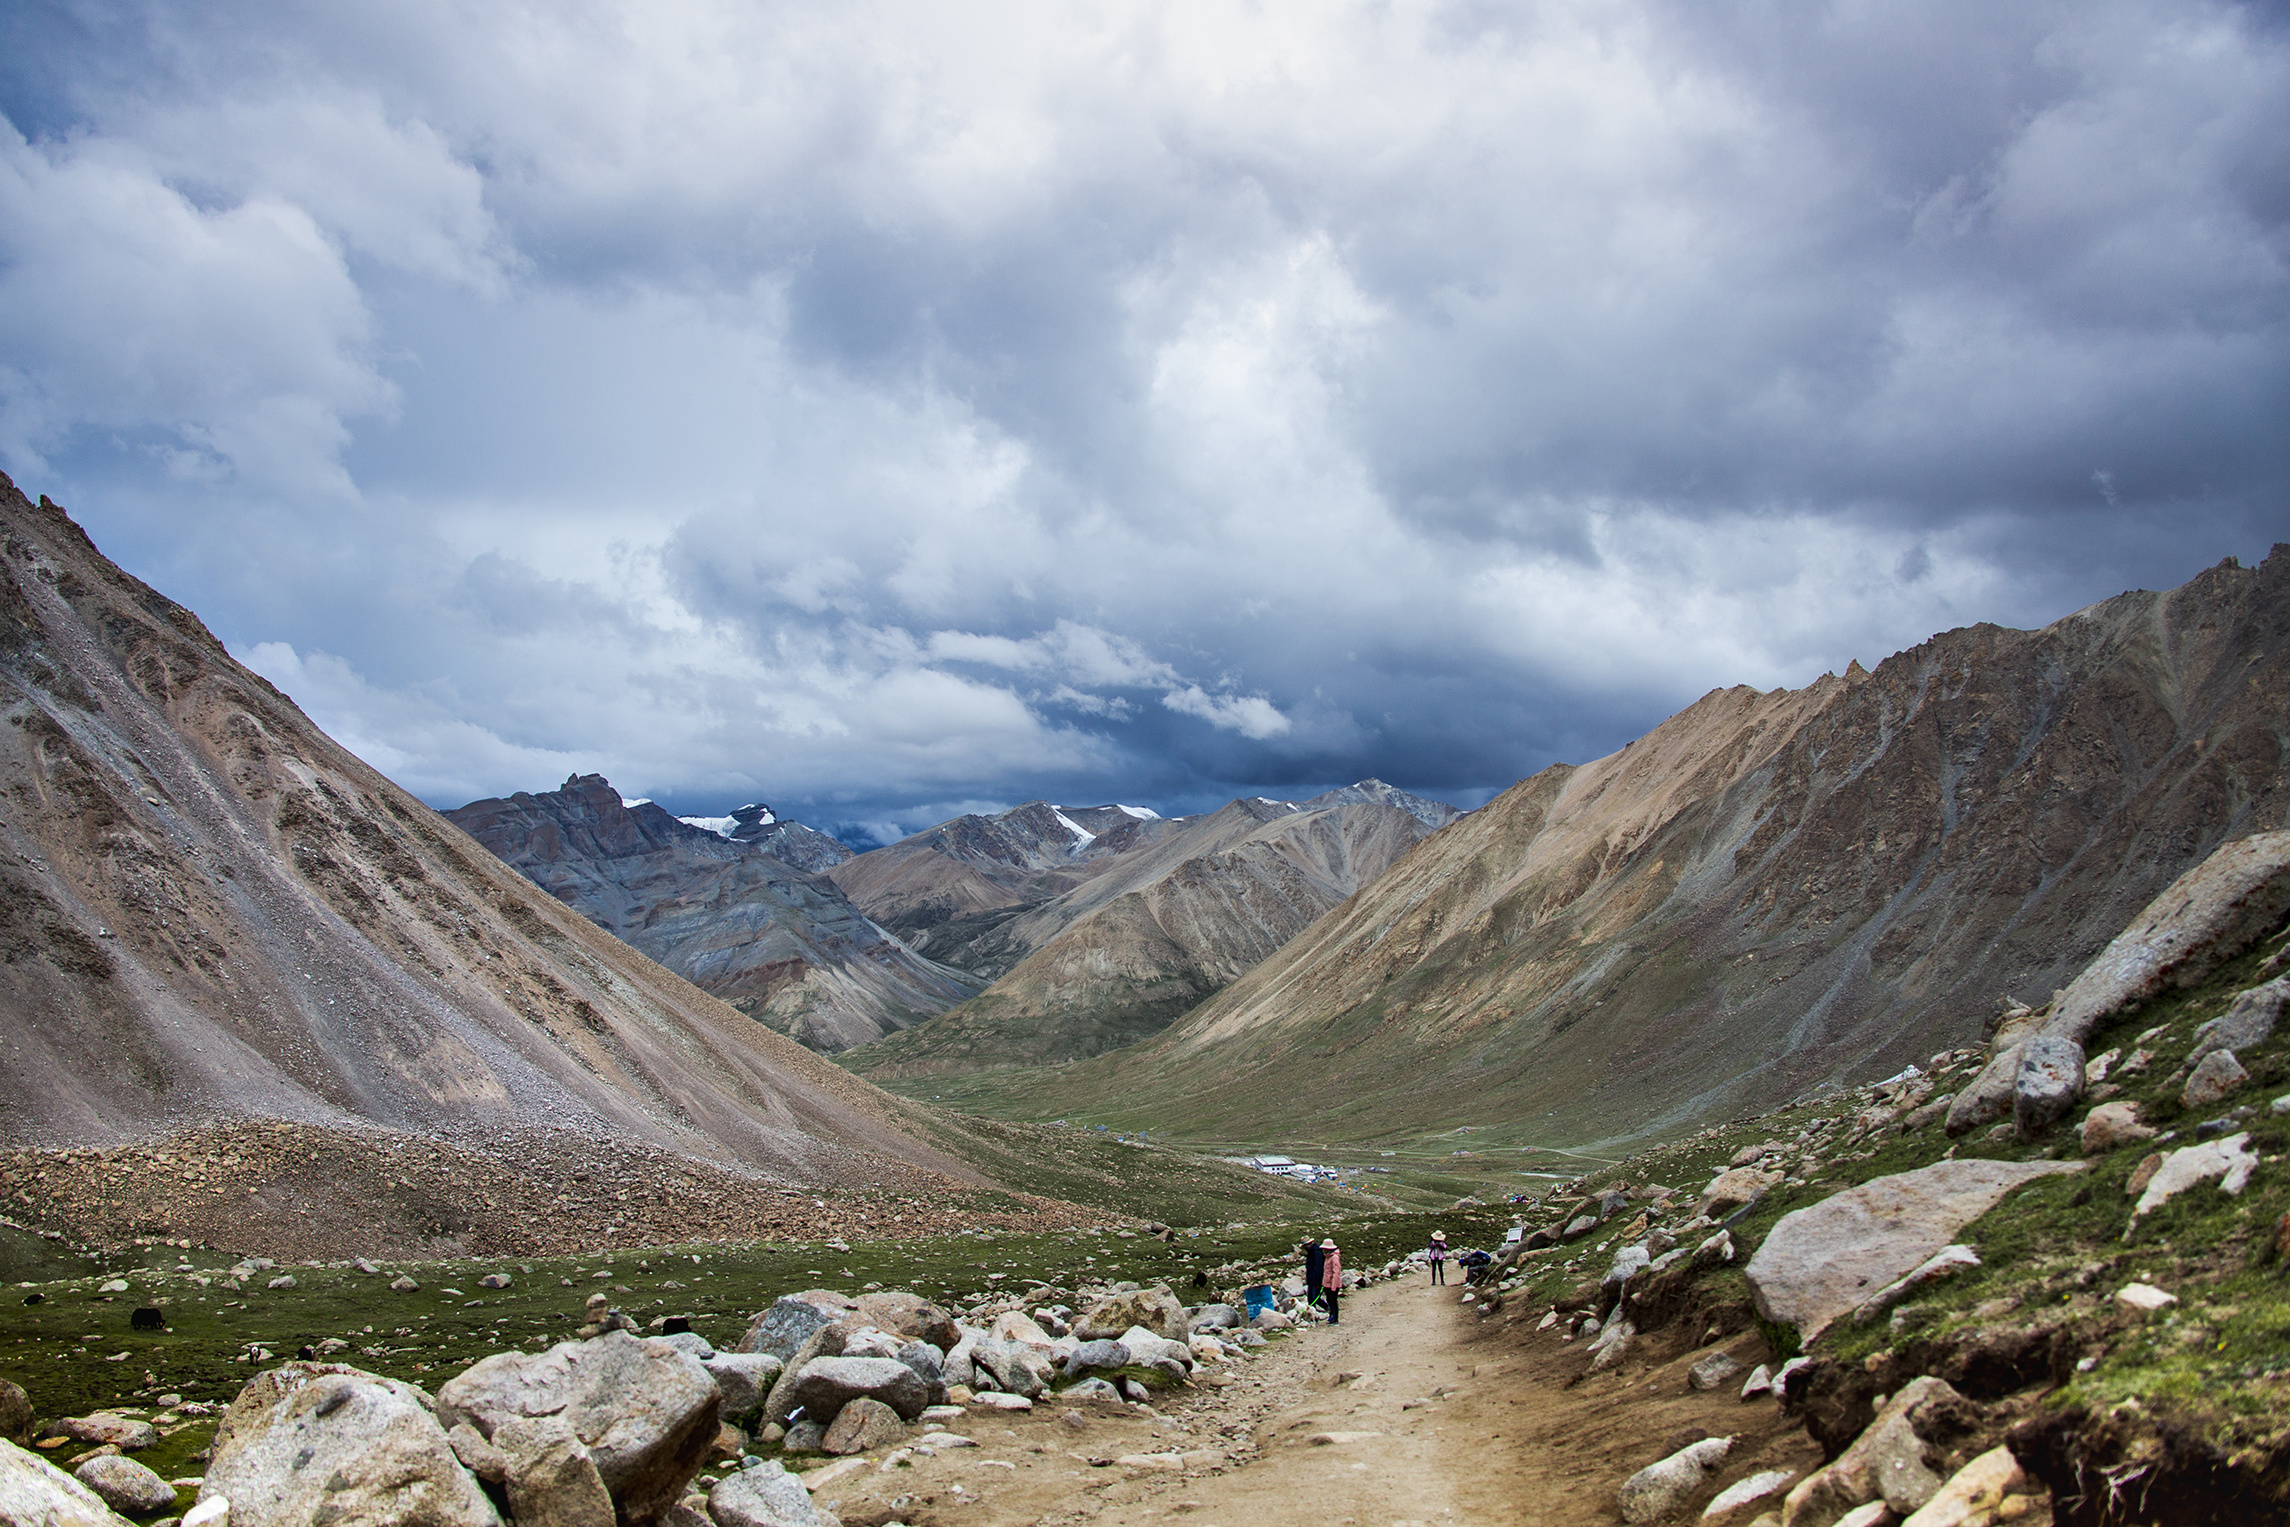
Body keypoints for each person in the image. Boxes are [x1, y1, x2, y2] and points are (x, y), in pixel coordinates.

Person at [1320, 1239, 1343, 1324]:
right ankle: (1332, 1316)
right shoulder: (1327, 1257)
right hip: (1327, 1284)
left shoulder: (1334, 1258)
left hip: (1333, 1285)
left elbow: (1336, 1272)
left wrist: (1334, 1286)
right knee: (1329, 1300)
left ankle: (1335, 1318)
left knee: (1333, 1301)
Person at [1302, 1237, 1326, 1308]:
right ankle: (1313, 1316)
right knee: (1311, 1300)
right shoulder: (1312, 1252)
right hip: (1311, 1280)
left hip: (1315, 1281)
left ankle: (1329, 1309)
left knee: (1316, 1299)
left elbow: (1318, 1268)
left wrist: (1317, 1281)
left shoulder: (1316, 1253)